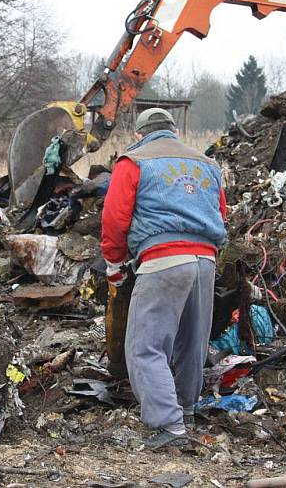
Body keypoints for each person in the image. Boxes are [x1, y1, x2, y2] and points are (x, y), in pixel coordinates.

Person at [101, 108, 227, 450]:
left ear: (141, 134)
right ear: (173, 131)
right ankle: (185, 410)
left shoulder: (134, 161)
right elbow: (221, 212)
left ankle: (168, 425)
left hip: (163, 260)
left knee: (146, 345)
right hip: (205, 261)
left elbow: (115, 217)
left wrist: (114, 262)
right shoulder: (207, 164)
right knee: (192, 342)